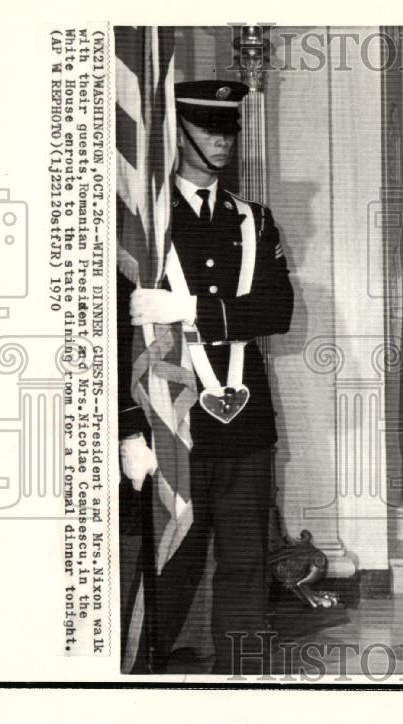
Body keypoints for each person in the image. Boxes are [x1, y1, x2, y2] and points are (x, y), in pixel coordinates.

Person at [118, 80, 294, 673]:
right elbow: (117, 334)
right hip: (173, 420)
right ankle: (141, 678)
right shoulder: (143, 226)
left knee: (245, 560)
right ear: (180, 132)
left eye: (228, 129)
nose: (221, 140)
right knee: (171, 558)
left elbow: (278, 312)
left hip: (245, 419)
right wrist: (128, 430)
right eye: (207, 127)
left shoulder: (254, 221)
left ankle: (241, 680)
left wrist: (192, 309)